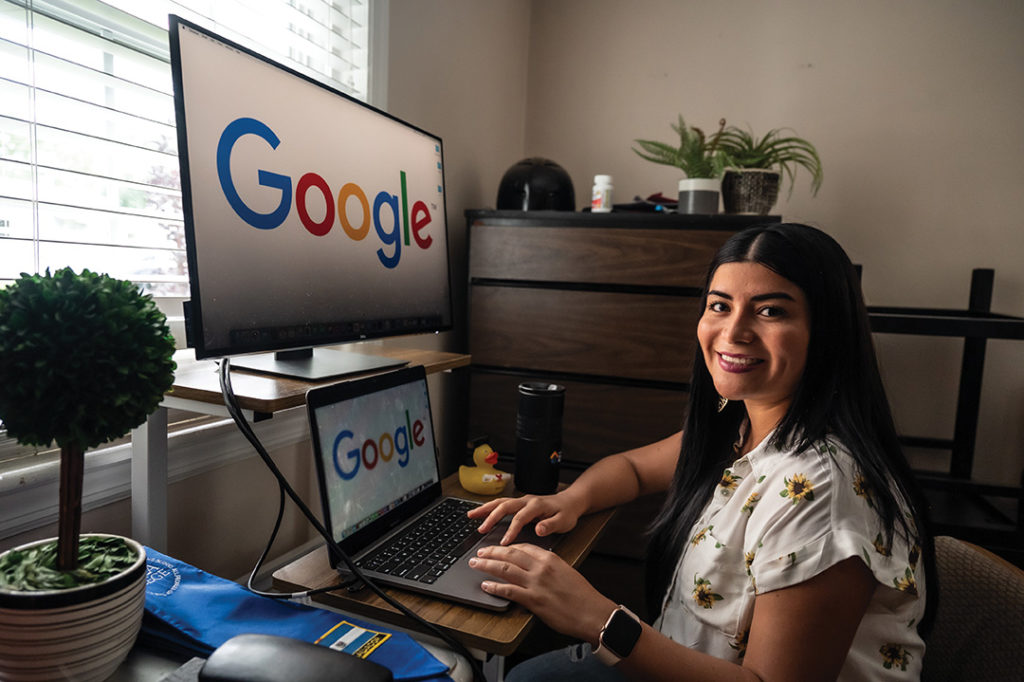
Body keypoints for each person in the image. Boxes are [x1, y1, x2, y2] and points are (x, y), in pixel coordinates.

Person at [467, 223, 935, 681]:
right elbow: (631, 469)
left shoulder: (817, 490)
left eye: (770, 311)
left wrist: (597, 617)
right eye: (719, 306)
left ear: (827, 332)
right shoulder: (743, 428)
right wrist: (569, 501)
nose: (733, 332)